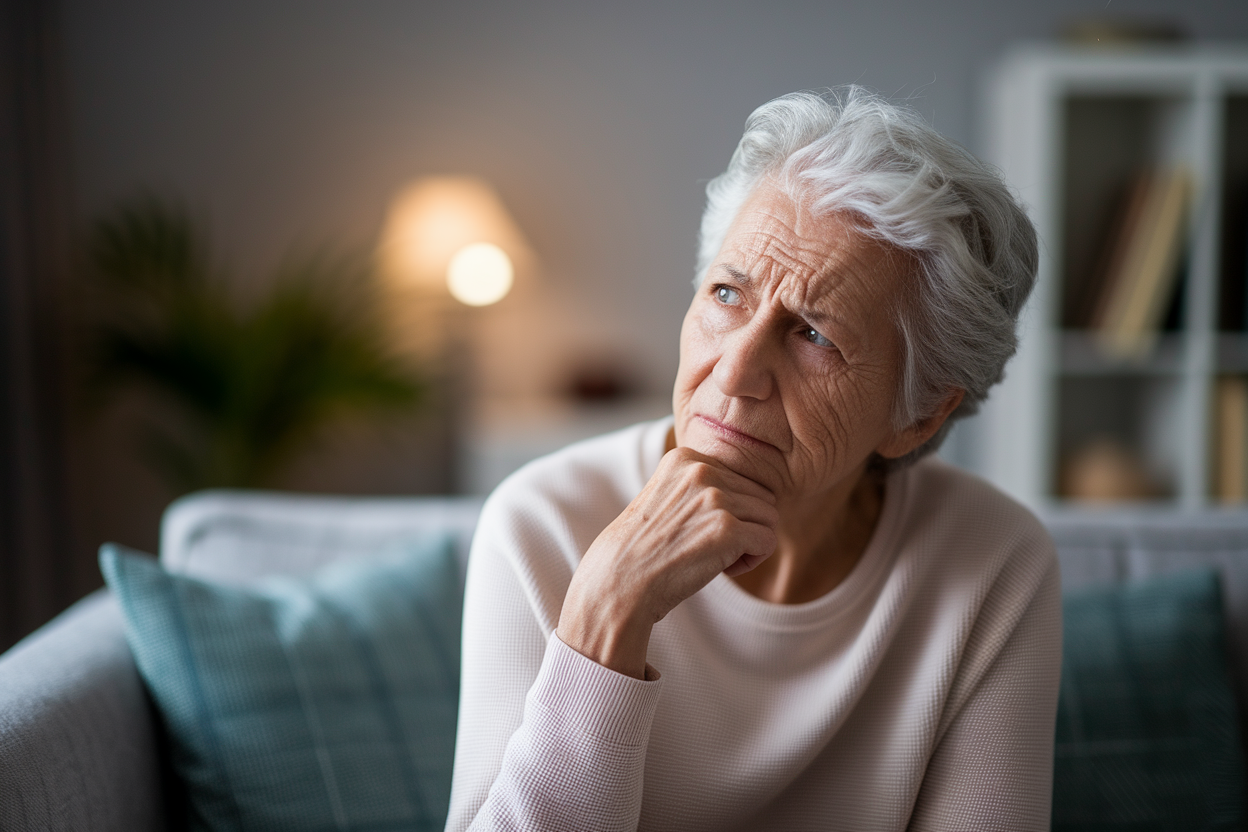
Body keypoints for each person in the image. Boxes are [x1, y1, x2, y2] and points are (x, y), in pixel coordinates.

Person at [445, 87, 1059, 832]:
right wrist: (606, 612)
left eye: (815, 337)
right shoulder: (541, 523)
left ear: (920, 413)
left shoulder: (992, 560)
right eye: (727, 293)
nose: (733, 372)